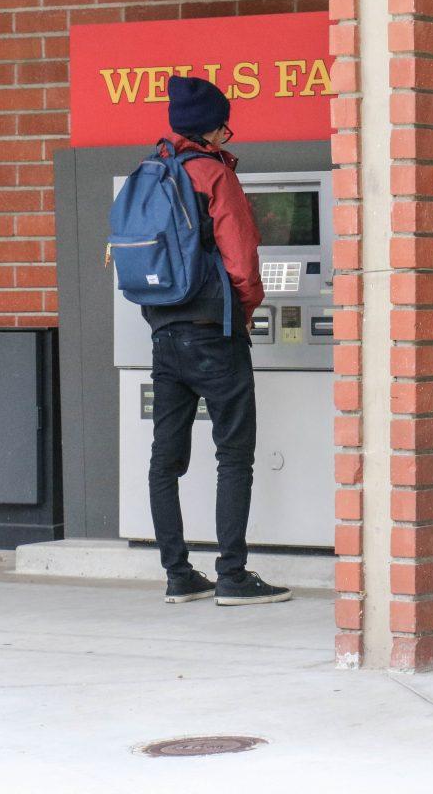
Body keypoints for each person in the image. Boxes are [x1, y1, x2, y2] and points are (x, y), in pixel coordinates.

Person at [149, 75, 291, 606]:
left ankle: (177, 574)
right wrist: (247, 311)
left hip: (164, 334)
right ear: (212, 128)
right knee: (233, 455)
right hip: (215, 333)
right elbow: (242, 257)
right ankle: (232, 574)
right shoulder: (213, 174)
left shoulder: (155, 172)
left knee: (166, 459)